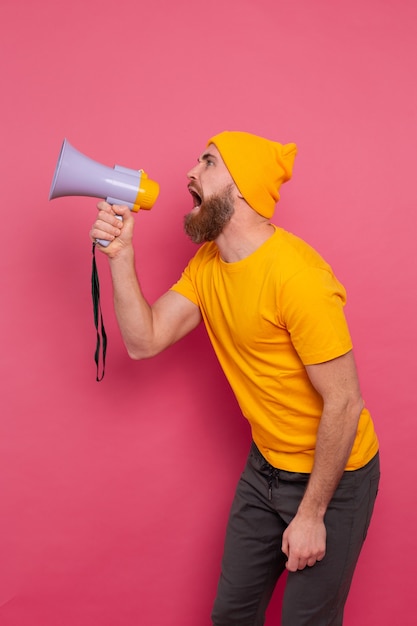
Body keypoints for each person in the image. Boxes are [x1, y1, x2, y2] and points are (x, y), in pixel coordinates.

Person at [90, 131, 380, 626]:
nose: (189, 172)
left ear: (242, 188)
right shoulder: (208, 265)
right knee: (232, 616)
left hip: (334, 479)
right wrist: (120, 256)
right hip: (264, 469)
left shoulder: (299, 277)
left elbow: (345, 403)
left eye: (207, 162)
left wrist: (311, 515)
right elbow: (145, 340)